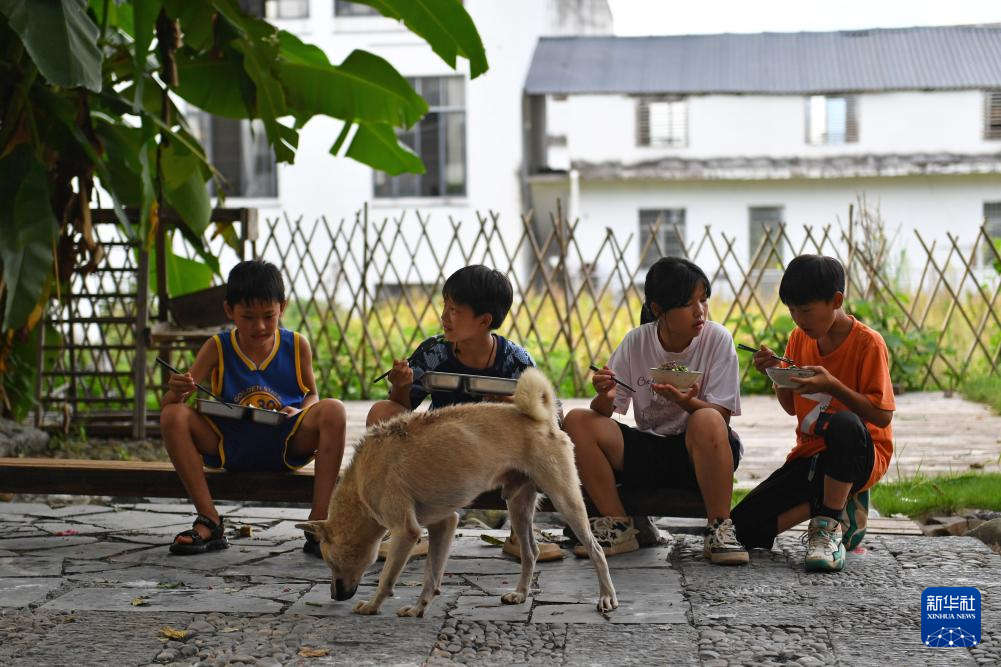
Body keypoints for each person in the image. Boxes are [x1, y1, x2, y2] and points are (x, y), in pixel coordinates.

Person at [366, 264, 563, 562]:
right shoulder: (434, 352)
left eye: (455, 310)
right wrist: (401, 386)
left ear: (484, 320)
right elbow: (400, 410)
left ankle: (520, 533)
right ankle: (405, 527)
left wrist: (518, 404)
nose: (444, 317)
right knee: (382, 412)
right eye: (445, 307)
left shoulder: (516, 359)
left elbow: (553, 416)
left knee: (536, 437)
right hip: (441, 447)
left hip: (497, 455)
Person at [563, 257, 747, 564]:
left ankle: (719, 529)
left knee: (706, 417)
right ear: (658, 308)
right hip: (649, 451)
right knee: (577, 420)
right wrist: (606, 396)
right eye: (687, 304)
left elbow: (721, 417)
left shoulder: (716, 339)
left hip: (700, 454)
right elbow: (604, 412)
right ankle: (619, 525)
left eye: (703, 300)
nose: (700, 311)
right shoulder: (637, 341)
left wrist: (685, 401)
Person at [160, 260, 347, 558]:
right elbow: (170, 406)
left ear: (282, 308)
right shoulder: (217, 347)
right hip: (230, 442)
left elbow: (312, 394)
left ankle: (319, 522)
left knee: (334, 410)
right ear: (229, 310)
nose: (259, 326)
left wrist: (300, 411)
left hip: (285, 441)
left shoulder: (296, 345)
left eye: (268, 316)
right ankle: (209, 520)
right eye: (247, 317)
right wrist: (177, 390)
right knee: (172, 415)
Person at [731, 254, 895, 572]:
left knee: (844, 424)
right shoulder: (799, 339)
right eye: (792, 310)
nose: (798, 319)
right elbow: (792, 407)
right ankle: (841, 506)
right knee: (741, 529)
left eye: (805, 310)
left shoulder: (868, 344)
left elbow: (882, 416)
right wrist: (776, 374)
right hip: (811, 456)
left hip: (859, 453)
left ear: (836, 301)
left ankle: (828, 526)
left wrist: (833, 386)